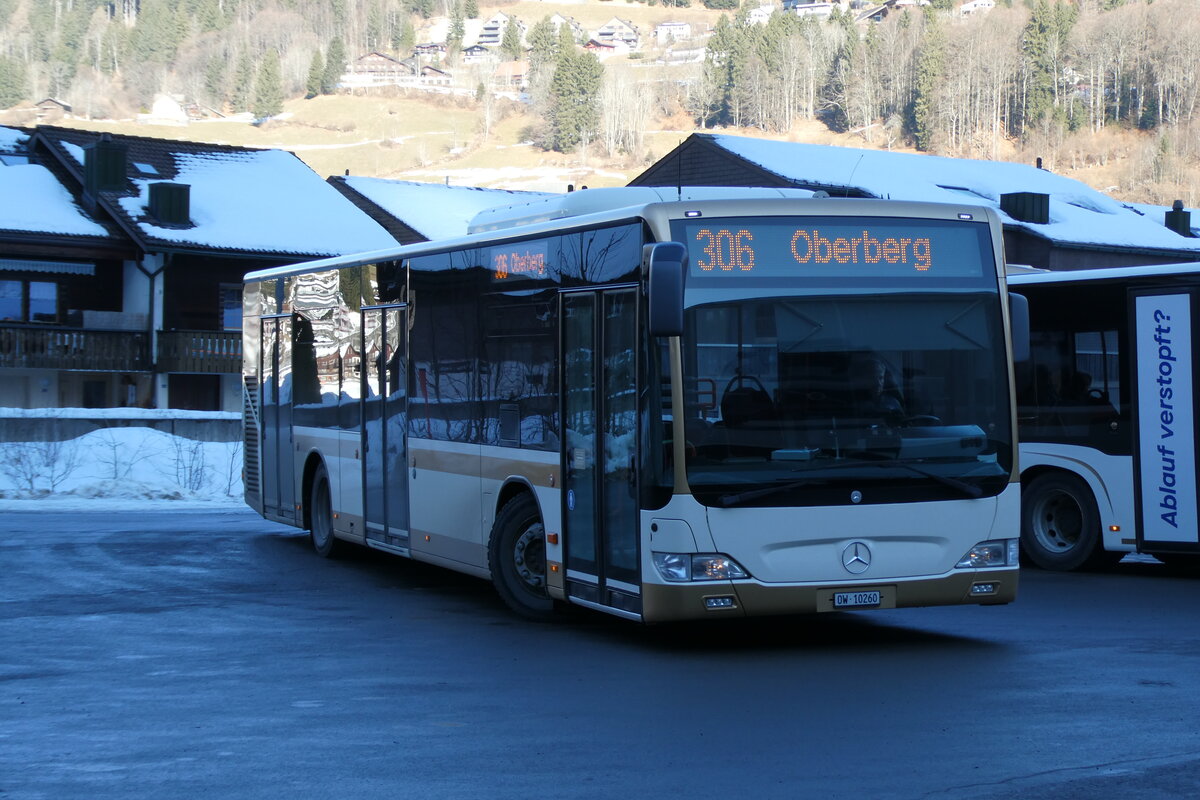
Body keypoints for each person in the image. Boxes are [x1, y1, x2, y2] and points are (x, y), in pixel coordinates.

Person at [850, 357, 904, 422]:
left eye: (881, 378)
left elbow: (902, 425)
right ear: (864, 379)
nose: (878, 383)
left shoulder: (893, 403)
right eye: (873, 377)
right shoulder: (855, 404)